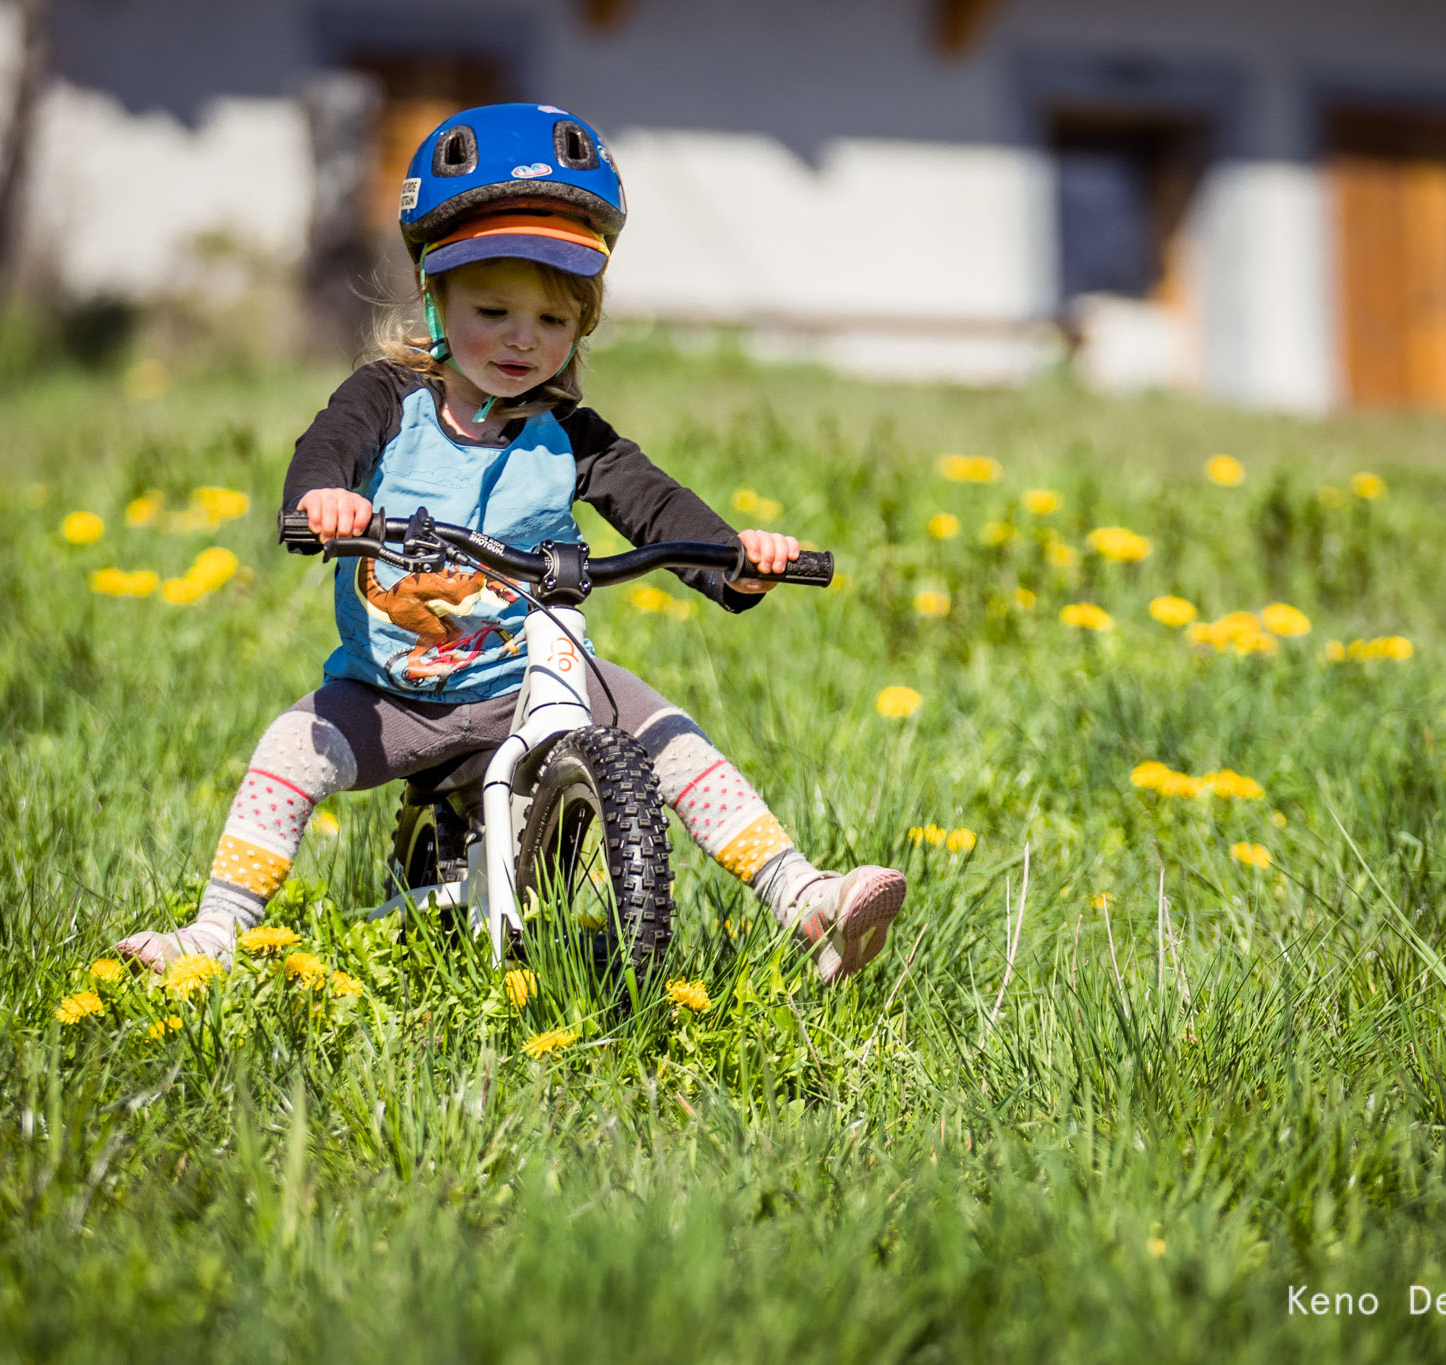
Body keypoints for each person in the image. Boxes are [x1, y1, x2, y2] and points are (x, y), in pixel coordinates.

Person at [114, 104, 905, 985]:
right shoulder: (390, 399)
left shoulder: (569, 433)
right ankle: (216, 931)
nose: (524, 339)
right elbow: (329, 445)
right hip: (394, 692)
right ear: (436, 298)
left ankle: (805, 899)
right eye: (493, 310)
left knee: (670, 735)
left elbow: (654, 505)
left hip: (531, 676)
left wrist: (735, 561)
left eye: (553, 320)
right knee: (290, 749)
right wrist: (325, 498)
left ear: (583, 324)